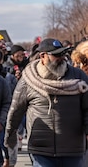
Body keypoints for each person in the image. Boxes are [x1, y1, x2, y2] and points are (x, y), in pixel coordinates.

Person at [5, 38, 88, 167]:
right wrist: (10, 138)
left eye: (63, 54)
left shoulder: (78, 77)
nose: (61, 58)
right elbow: (16, 110)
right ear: (43, 56)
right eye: (56, 55)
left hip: (73, 149)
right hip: (41, 150)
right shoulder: (28, 79)